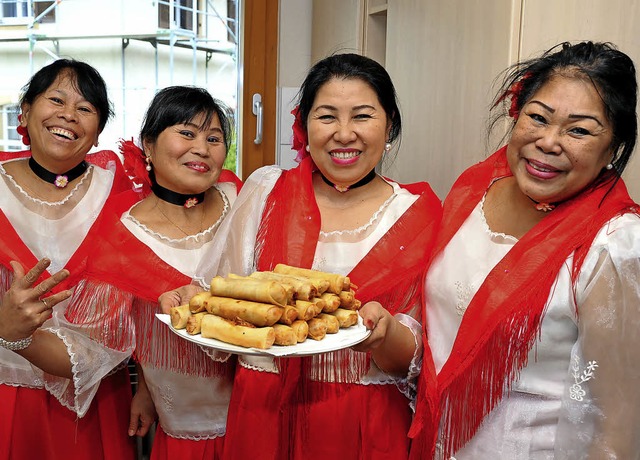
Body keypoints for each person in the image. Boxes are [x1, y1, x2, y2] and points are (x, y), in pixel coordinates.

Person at [171, 53, 442, 460]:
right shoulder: (265, 192)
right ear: (304, 125)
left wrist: (386, 335)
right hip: (262, 407)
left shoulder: (418, 214)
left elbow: (424, 353)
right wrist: (188, 300)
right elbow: (226, 300)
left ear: (390, 127)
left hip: (361, 417)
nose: (344, 133)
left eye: (363, 116)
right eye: (327, 116)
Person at [409, 41, 640, 459]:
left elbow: (615, 429)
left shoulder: (615, 244)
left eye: (580, 130)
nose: (549, 142)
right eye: (538, 118)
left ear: (614, 147)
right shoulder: (476, 187)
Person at [64, 85, 242, 460]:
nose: (203, 148)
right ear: (148, 145)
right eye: (187, 133)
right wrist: (143, 387)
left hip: (256, 408)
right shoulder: (122, 232)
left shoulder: (237, 199)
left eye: (214, 138)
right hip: (183, 418)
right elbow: (119, 334)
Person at [0, 59, 138, 459]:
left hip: (93, 394)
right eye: (56, 99)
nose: (68, 115)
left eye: (86, 108)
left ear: (96, 133)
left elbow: (129, 307)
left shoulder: (118, 195)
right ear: (25, 111)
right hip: (9, 388)